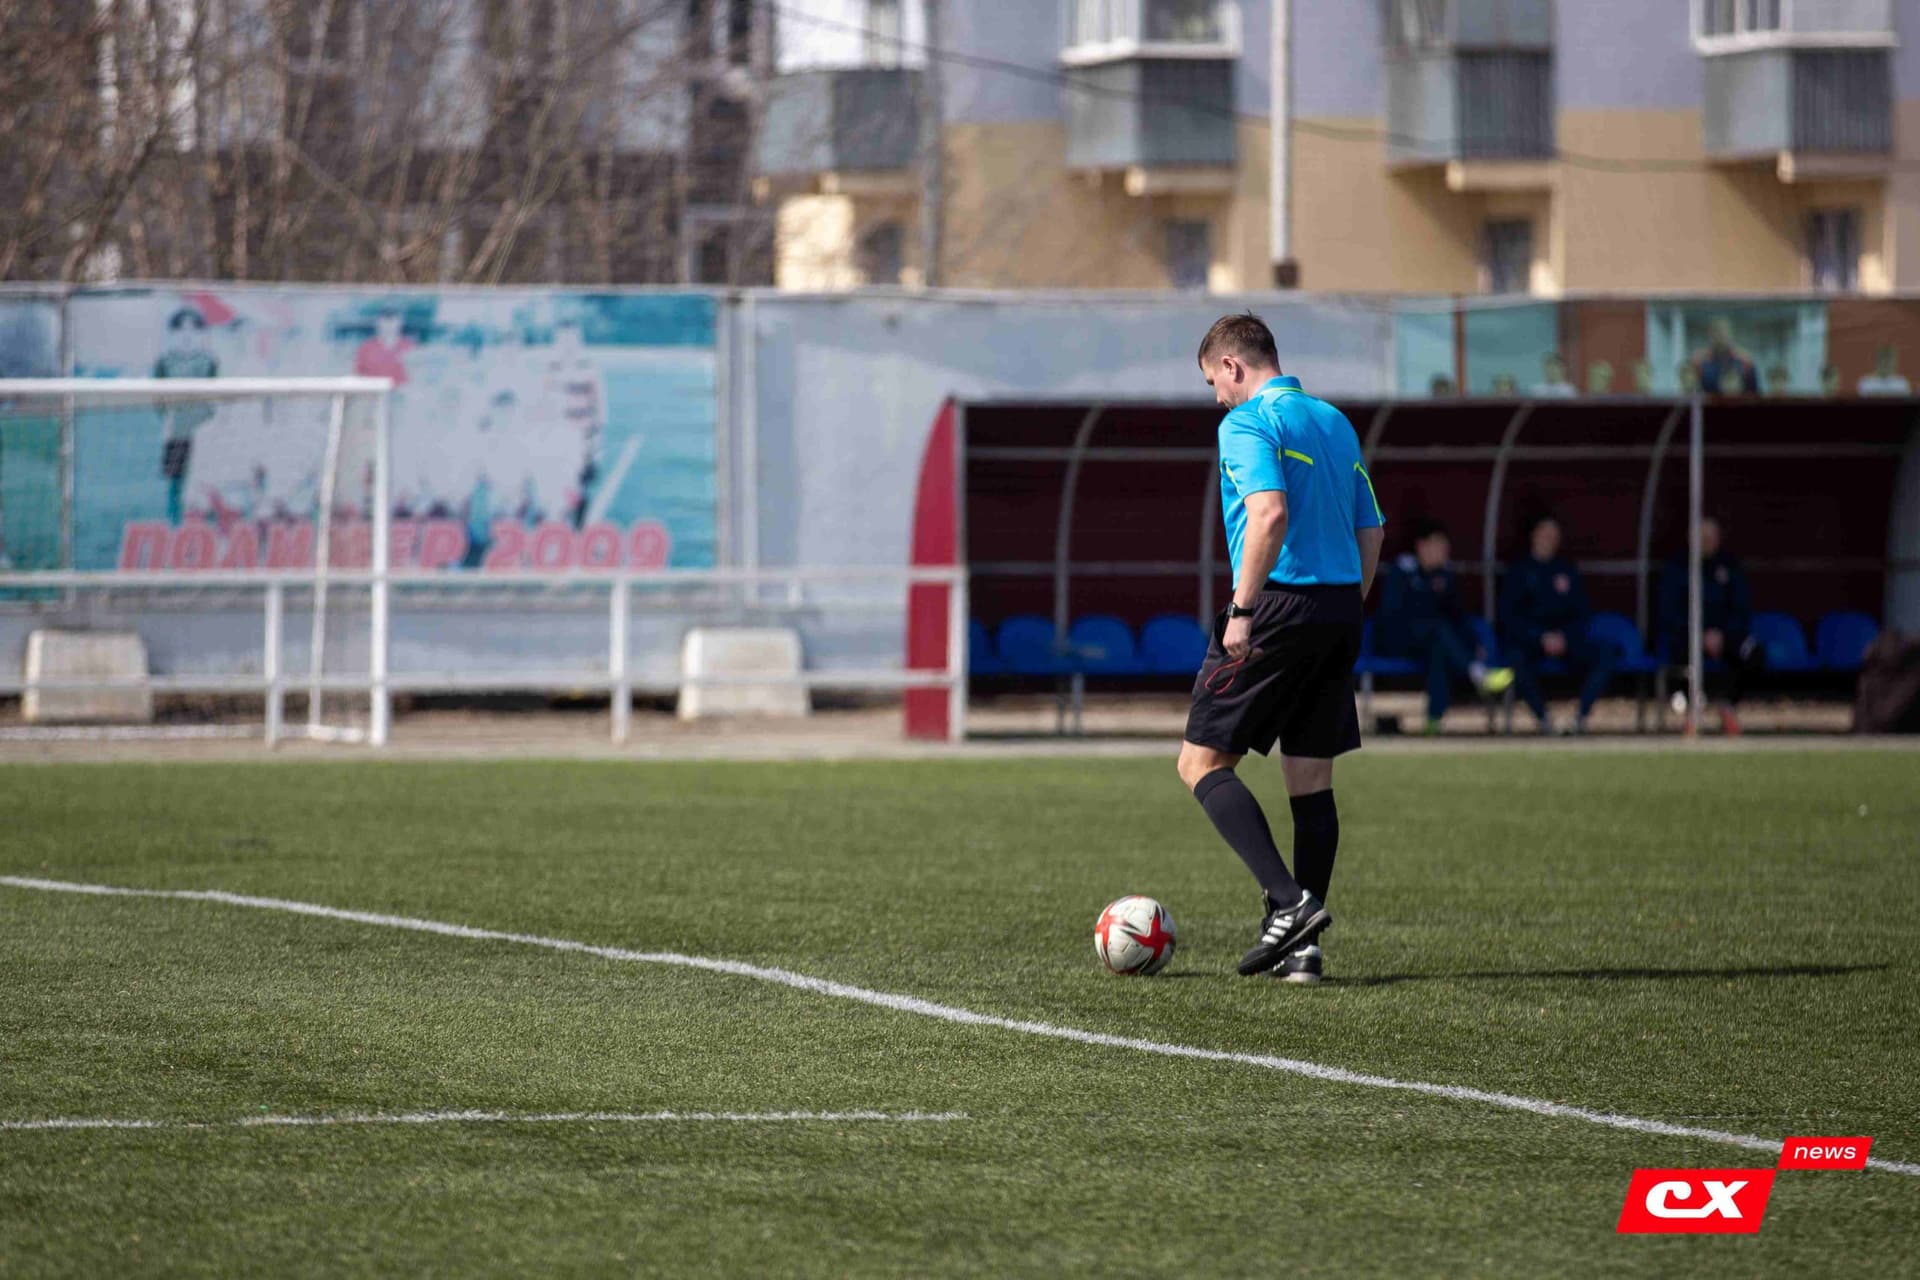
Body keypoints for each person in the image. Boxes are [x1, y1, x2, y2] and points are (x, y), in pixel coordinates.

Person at [1177, 313, 1386, 985]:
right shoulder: (1333, 421)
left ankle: (1289, 902)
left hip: (1277, 606)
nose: (1216, 397)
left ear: (1232, 366)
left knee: (1200, 762)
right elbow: (1372, 530)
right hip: (1340, 606)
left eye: (1213, 381)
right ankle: (1304, 952)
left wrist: (1242, 610)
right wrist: (1346, 604)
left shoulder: (1246, 423)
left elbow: (1268, 512)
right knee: (1310, 777)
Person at [1377, 520, 1515, 733]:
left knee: (1439, 649)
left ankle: (1434, 721)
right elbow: (1392, 616)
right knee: (1437, 630)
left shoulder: (1445, 576)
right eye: (1438, 545)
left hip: (1431, 642)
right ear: (1422, 546)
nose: (1443, 551)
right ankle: (1477, 673)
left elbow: (1459, 616)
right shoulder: (1402, 571)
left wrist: (1475, 644)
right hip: (1397, 640)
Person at [1500, 515, 1615, 734]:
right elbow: (1509, 617)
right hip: (1532, 642)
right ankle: (1544, 719)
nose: (1549, 539)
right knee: (1514, 658)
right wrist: (1540, 637)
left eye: (1554, 535)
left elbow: (1582, 613)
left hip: (1566, 641)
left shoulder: (1566, 570)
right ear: (1533, 535)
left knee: (1606, 654)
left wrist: (1565, 636)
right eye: (1544, 533)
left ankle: (1580, 718)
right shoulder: (1519, 571)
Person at [1658, 516, 1764, 734]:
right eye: (1702, 538)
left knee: (1754, 653)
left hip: (1726, 635)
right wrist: (1700, 634)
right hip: (1687, 636)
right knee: (1677, 652)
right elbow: (1669, 611)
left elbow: (1741, 607)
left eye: (1710, 538)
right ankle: (1692, 708)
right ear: (1690, 538)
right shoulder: (1677, 568)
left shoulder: (1729, 566)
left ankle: (1728, 705)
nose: (1706, 543)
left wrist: (1722, 634)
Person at [153, 306, 219, 525]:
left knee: (206, 482)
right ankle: (175, 524)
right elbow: (158, 400)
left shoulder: (209, 362)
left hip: (205, 434)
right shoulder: (164, 363)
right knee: (176, 481)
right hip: (177, 434)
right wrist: (171, 420)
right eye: (181, 329)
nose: (187, 335)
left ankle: (207, 526)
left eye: (193, 329)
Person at [1691, 317, 1757, 395]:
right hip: (1708, 401)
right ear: (1710, 334)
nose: (1720, 335)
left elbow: (1754, 392)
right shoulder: (1699, 360)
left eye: (1723, 331)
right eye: (1716, 331)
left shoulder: (1745, 359)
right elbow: (1691, 389)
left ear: (1731, 333)